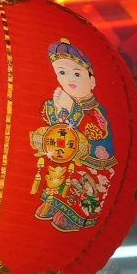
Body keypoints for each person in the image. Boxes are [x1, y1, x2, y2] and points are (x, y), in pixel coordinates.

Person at [30, 38, 117, 231]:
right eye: (62, 73)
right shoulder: (62, 101)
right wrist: (55, 108)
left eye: (77, 74)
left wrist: (71, 108)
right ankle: (54, 204)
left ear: (92, 81)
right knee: (54, 167)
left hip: (92, 162)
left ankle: (76, 216)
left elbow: (97, 132)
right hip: (66, 155)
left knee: (81, 183)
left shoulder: (94, 108)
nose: (70, 79)